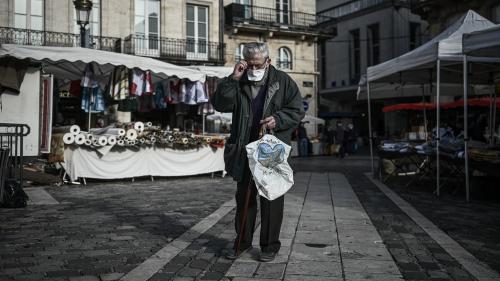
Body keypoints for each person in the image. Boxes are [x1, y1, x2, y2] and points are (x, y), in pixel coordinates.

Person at [211, 42, 304, 262]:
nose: (253, 69)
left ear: (268, 61)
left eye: (257, 65)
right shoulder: (239, 79)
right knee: (244, 198)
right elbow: (220, 104)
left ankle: (270, 246)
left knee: (271, 198)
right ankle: (242, 243)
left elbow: (296, 110)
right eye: (249, 65)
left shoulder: (283, 81)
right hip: (243, 149)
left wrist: (278, 119)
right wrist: (233, 78)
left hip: (270, 147)